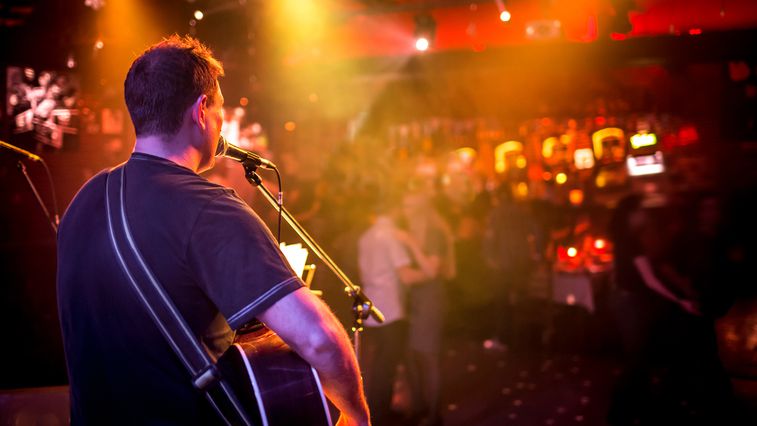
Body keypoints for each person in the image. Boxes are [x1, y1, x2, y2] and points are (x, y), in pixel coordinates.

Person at [56, 35, 369, 426]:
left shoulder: (83, 202)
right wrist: (357, 416)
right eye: (221, 107)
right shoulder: (208, 206)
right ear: (202, 110)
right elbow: (319, 340)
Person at [357, 199, 434, 426]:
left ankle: (375, 412)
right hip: (390, 309)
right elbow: (406, 275)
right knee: (386, 367)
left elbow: (363, 271)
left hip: (371, 308)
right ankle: (381, 416)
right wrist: (430, 274)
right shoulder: (392, 236)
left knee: (377, 363)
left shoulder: (365, 237)